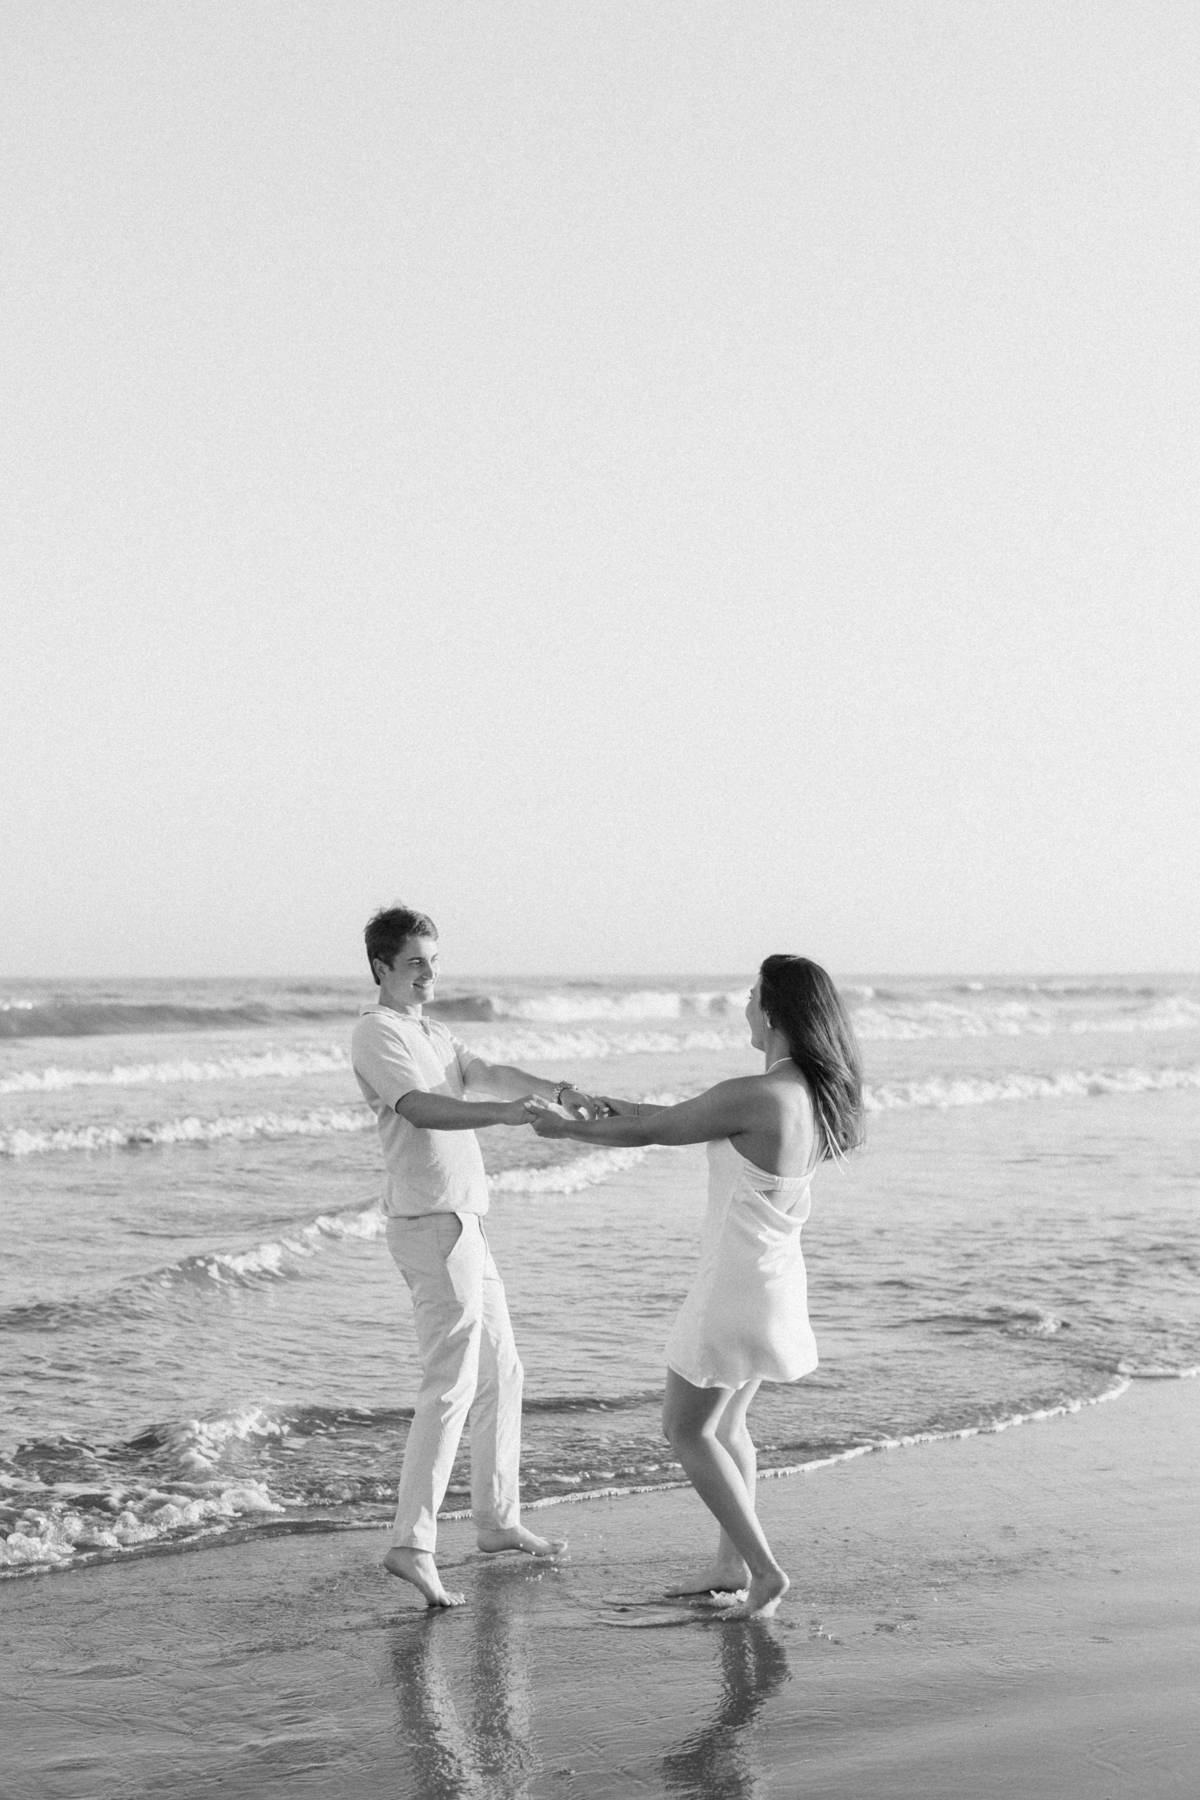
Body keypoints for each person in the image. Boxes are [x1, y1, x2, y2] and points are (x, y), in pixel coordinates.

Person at [530, 955, 864, 1618]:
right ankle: (730, 1566)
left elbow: (659, 1131)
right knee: (730, 1425)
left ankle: (766, 1573)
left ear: (774, 1012)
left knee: (685, 1430)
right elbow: (680, 1115)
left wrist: (565, 1129)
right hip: (773, 1285)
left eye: (750, 995)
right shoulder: (808, 1096)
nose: (743, 1006)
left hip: (732, 1289)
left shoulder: (757, 1092)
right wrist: (605, 1105)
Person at [352, 904, 604, 1608]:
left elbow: (486, 1069)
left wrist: (554, 1090)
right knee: (452, 1383)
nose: (430, 973)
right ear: (381, 968)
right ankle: (412, 1544)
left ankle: (497, 1521)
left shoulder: (430, 1029)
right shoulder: (376, 1031)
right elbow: (417, 1108)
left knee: (504, 1371)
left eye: (434, 960)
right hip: (431, 1227)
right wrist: (503, 1116)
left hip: (467, 1225)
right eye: (415, 963)